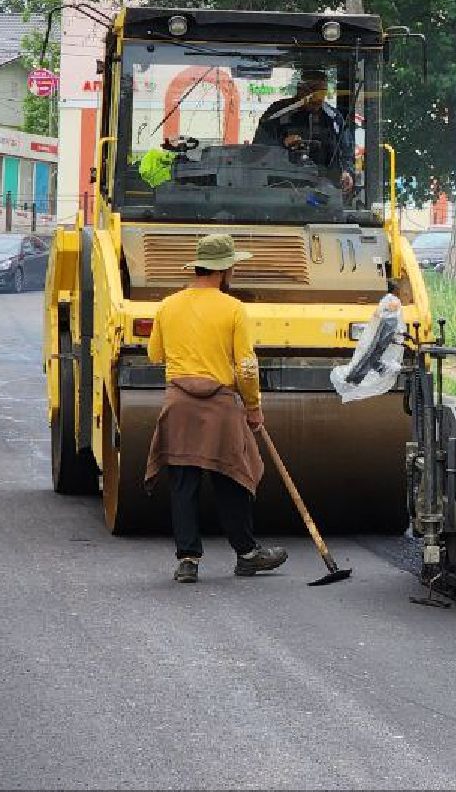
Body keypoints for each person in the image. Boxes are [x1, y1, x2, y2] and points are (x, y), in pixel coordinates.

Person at [144, 233, 288, 583]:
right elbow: (247, 367)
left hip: (179, 404)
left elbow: (154, 354)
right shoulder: (233, 308)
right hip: (220, 406)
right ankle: (247, 554)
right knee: (231, 477)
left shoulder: (168, 306)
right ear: (225, 271)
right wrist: (253, 406)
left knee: (183, 483)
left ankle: (188, 560)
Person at [253, 67, 351, 188]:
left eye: (322, 92)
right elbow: (258, 149)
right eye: (312, 90)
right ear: (299, 90)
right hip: (282, 185)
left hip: (324, 188)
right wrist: (282, 142)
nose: (317, 98)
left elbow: (346, 150)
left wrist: (346, 171)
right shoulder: (279, 112)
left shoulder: (333, 118)